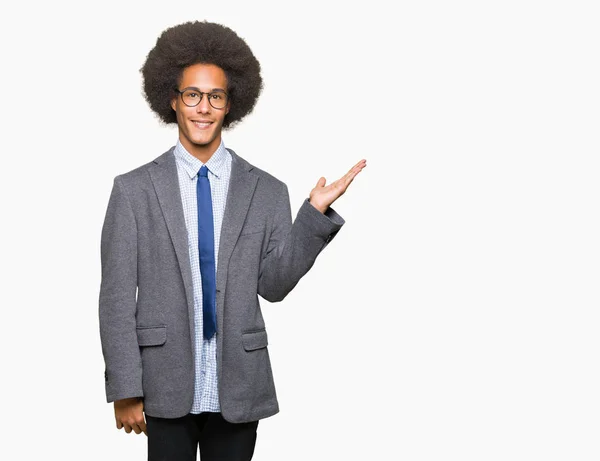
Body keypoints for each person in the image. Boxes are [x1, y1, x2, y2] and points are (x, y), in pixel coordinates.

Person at [99, 20, 366, 461]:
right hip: (164, 382)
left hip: (239, 383)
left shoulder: (265, 190)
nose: (203, 107)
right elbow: (114, 298)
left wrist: (313, 216)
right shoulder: (134, 191)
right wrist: (125, 388)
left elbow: (274, 286)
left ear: (230, 105)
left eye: (215, 96)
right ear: (173, 99)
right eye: (192, 95)